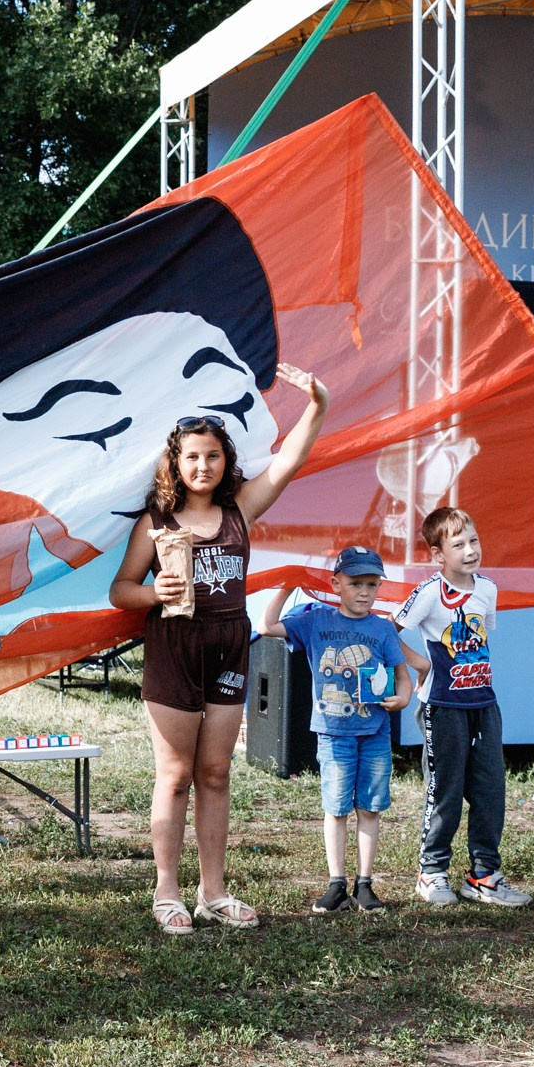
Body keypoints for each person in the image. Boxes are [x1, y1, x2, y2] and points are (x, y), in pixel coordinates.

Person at [108, 369, 329, 935]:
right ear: (174, 464)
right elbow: (120, 589)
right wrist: (153, 591)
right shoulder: (155, 523)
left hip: (231, 644)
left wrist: (317, 406)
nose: (202, 466)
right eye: (191, 457)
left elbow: (288, 464)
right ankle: (166, 893)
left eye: (211, 456)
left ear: (225, 461)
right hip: (175, 647)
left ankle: (213, 892)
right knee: (176, 774)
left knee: (215, 772)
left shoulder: (240, 512)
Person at [260, 547, 420, 914]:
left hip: (375, 732)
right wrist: (287, 586)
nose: (364, 592)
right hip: (333, 734)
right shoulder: (315, 621)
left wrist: (404, 698)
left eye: (371, 584)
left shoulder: (381, 628)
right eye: (354, 583)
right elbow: (267, 626)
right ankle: (336, 884)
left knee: (369, 807)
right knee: (335, 808)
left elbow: (400, 674)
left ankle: (364, 884)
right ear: (336, 584)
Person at [395, 507, 531, 908]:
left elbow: (482, 634)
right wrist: (419, 664)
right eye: (459, 544)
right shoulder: (427, 594)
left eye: (474, 541)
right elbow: (388, 631)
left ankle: (484, 876)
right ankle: (431, 870)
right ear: (438, 554)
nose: (470, 550)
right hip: (442, 706)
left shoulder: (487, 589)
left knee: (490, 790)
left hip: (484, 703)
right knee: (446, 791)